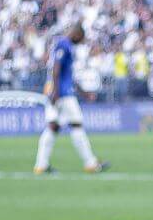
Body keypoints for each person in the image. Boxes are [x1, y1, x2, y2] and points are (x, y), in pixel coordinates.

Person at [34, 24, 109, 174]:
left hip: (58, 91)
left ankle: (41, 165)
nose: (81, 41)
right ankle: (90, 163)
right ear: (76, 34)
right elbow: (56, 69)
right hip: (62, 94)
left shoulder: (62, 45)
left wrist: (83, 92)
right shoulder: (64, 45)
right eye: (81, 38)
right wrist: (56, 92)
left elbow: (68, 75)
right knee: (76, 125)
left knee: (53, 127)